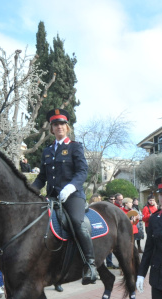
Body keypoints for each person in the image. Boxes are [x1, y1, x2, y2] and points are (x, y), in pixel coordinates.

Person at [32, 108, 98, 284]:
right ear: (51, 129)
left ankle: (90, 265)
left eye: (62, 123)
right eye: (55, 124)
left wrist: (70, 187)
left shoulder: (75, 147)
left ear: (66, 127)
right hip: (52, 197)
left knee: (76, 222)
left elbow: (82, 171)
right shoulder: (47, 151)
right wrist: (29, 191)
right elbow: (41, 178)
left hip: (72, 196)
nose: (59, 127)